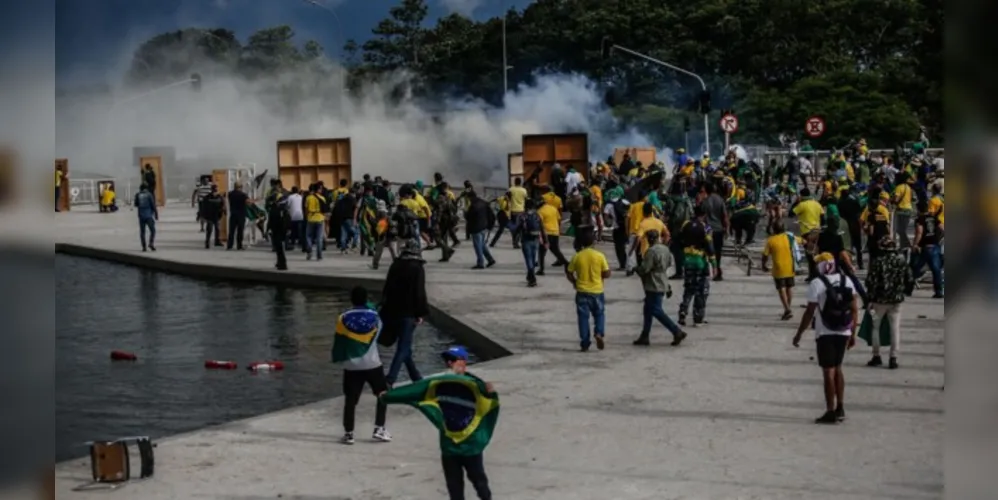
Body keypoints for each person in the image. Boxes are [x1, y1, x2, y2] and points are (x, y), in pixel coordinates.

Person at [379, 346, 498, 500]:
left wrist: (491, 391)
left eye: (453, 360)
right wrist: (388, 396)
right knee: (454, 487)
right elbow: (414, 391)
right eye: (447, 360)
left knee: (479, 482)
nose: (449, 363)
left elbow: (490, 404)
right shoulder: (438, 384)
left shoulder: (477, 386)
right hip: (449, 446)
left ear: (463, 362)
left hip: (471, 447)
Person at [792, 252, 859, 424]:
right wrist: (853, 332)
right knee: (838, 367)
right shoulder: (847, 281)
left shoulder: (817, 283)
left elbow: (809, 312)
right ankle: (841, 406)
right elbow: (854, 309)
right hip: (844, 330)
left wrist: (799, 334)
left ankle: (830, 411)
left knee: (828, 371)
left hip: (825, 332)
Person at [332, 286, 392, 444]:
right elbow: (378, 337)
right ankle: (379, 428)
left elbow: (340, 341)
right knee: (383, 394)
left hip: (351, 366)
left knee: (350, 400)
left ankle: (349, 433)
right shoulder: (376, 318)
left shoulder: (342, 318)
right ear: (366, 299)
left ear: (351, 299)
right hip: (373, 363)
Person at [381, 238, 427, 386]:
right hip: (408, 312)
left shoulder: (395, 264)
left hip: (392, 310)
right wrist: (420, 313)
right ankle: (390, 379)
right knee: (403, 347)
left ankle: (416, 377)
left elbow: (386, 288)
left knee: (405, 347)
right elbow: (419, 292)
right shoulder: (417, 267)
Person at [864, 236, 913, 370]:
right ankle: (893, 358)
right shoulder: (902, 260)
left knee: (875, 327)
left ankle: (876, 355)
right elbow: (910, 278)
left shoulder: (877, 261)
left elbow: (870, 281)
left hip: (878, 302)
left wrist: (869, 298)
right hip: (896, 301)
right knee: (895, 328)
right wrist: (905, 291)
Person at [633, 229, 687, 346]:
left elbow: (645, 268)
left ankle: (676, 331)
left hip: (653, 283)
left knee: (656, 310)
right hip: (662, 279)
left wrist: (637, 269)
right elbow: (668, 264)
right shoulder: (665, 249)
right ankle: (645, 335)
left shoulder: (651, 251)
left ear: (649, 239)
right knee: (647, 309)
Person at [565, 230, 610, 351]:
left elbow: (569, 272)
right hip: (597, 291)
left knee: (583, 318)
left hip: (581, 291)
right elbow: (606, 273)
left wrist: (574, 282)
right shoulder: (599, 255)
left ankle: (585, 343)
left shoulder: (577, 256)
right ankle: (599, 333)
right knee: (599, 314)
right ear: (593, 242)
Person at [676, 205, 717, 326]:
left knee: (688, 288)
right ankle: (698, 317)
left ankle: (683, 310)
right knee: (701, 290)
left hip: (687, 261)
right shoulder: (706, 228)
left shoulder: (685, 224)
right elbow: (709, 246)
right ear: (704, 215)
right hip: (700, 262)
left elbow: (679, 240)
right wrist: (714, 265)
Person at [761, 221, 802, 320]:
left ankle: (787, 309)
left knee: (781, 289)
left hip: (778, 269)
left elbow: (765, 255)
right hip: (790, 267)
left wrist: (763, 265)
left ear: (773, 229)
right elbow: (803, 241)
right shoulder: (790, 237)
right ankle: (787, 308)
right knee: (789, 288)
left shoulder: (770, 240)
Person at [912, 199, 944, 298]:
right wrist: (938, 238)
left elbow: (919, 232)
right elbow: (942, 228)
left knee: (915, 267)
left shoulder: (920, 219)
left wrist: (915, 244)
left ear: (918, 209)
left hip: (924, 247)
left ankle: (907, 288)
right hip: (934, 245)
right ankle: (938, 291)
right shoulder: (934, 217)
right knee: (936, 269)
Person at [513, 199, 547, 287]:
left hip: (526, 239)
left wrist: (515, 239)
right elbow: (542, 229)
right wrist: (545, 241)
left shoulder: (522, 216)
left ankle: (532, 278)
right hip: (535, 240)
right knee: (532, 258)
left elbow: (517, 229)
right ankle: (530, 276)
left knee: (529, 260)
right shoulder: (537, 216)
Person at [700, 182, 728, 281]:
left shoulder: (705, 201)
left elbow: (701, 217)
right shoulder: (720, 200)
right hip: (719, 229)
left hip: (708, 229)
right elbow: (724, 216)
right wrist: (726, 228)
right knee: (718, 251)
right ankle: (718, 272)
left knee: (706, 250)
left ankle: (706, 270)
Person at [536, 193, 568, 274]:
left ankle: (541, 269)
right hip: (555, 232)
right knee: (555, 250)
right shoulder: (553, 208)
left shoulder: (540, 211)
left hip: (546, 233)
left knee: (542, 252)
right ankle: (566, 263)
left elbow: (540, 224)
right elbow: (558, 219)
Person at [464, 191, 496, 269]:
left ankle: (480, 263)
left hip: (476, 228)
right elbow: (491, 215)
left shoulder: (473, 206)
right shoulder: (484, 203)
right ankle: (490, 259)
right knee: (482, 245)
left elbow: (468, 217)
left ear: (470, 197)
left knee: (478, 246)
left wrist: (465, 213)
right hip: (484, 227)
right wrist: (490, 226)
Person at [304, 184, 326, 260]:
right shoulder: (322, 198)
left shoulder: (308, 198)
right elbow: (324, 210)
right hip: (320, 218)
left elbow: (306, 209)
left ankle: (309, 251)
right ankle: (319, 255)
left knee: (308, 236)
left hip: (310, 218)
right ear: (319, 189)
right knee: (319, 238)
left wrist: (307, 216)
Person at [134, 183, 158, 252]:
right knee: (153, 230)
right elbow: (153, 205)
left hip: (141, 216)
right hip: (148, 215)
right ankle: (151, 243)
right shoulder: (149, 194)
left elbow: (136, 204)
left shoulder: (137, 195)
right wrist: (156, 214)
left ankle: (144, 247)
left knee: (142, 232)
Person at [267, 195, 288, 270]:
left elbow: (271, 220)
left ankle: (282, 263)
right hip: (279, 230)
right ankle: (280, 262)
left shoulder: (276, 209)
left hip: (277, 230)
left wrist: (268, 229)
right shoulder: (282, 208)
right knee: (279, 247)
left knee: (279, 247)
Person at [201, 185, 225, 249]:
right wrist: (203, 216)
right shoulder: (207, 197)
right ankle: (207, 243)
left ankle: (217, 241)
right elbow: (203, 207)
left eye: (216, 190)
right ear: (212, 190)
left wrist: (223, 211)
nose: (215, 191)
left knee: (217, 229)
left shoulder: (219, 197)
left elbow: (223, 205)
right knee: (209, 229)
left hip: (217, 215)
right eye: (214, 190)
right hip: (209, 216)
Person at [226, 182, 249, 251]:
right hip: (241, 214)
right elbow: (248, 202)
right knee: (240, 231)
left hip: (233, 214)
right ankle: (239, 245)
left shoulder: (230, 194)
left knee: (231, 231)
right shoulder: (243, 195)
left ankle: (229, 245)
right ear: (241, 187)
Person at [507, 177, 528, 249]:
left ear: (515, 182)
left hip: (513, 211)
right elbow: (526, 199)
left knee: (513, 227)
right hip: (521, 211)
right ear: (520, 182)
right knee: (520, 228)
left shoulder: (511, 189)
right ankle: (517, 242)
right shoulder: (524, 190)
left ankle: (514, 242)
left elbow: (508, 198)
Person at [285, 186, 305, 251]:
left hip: (292, 215)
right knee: (300, 230)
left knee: (293, 229)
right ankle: (301, 241)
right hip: (300, 215)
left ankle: (293, 241)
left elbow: (287, 206)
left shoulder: (290, 197)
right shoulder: (300, 197)